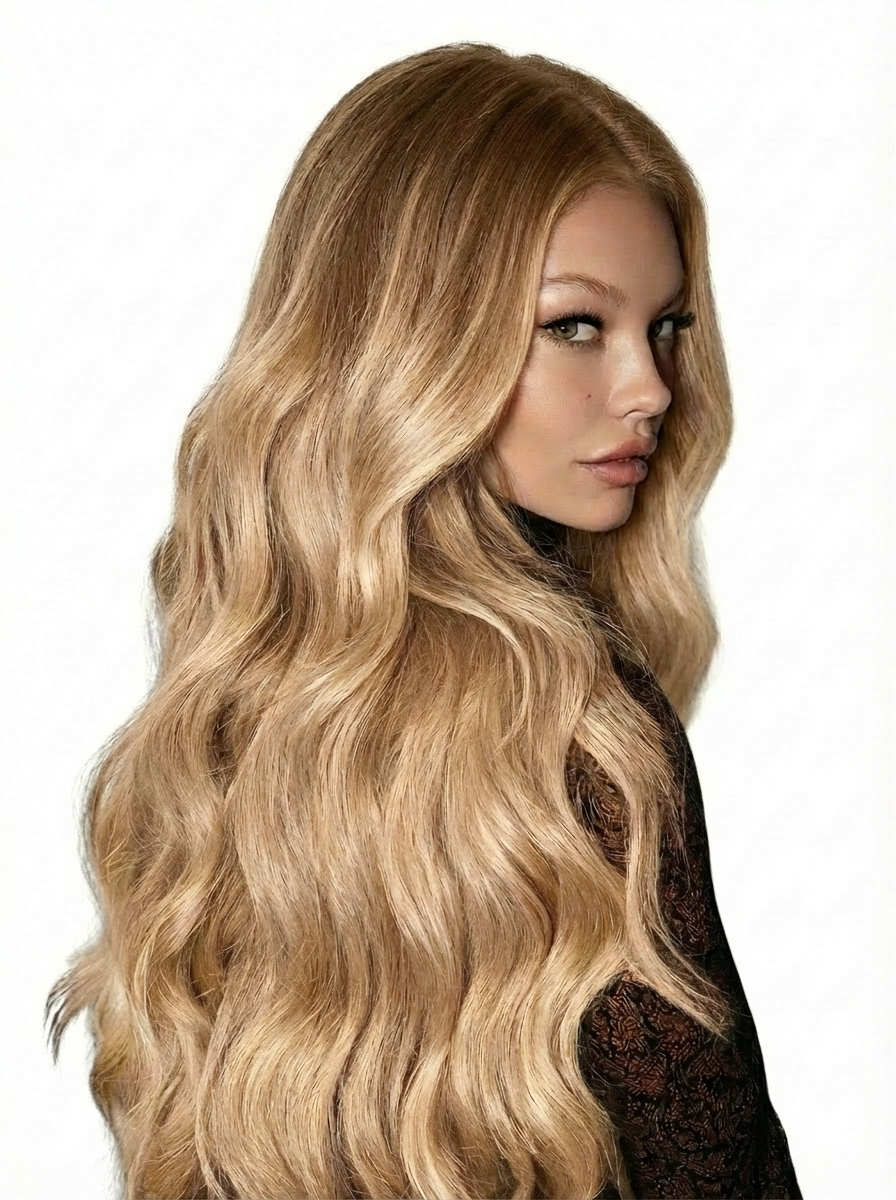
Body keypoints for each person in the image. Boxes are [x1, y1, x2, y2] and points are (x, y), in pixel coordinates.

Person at [45, 42, 802, 1200]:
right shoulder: (586, 730)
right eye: (575, 326)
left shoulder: (231, 706)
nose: (650, 387)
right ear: (409, 336)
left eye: (665, 327)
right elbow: (721, 1172)